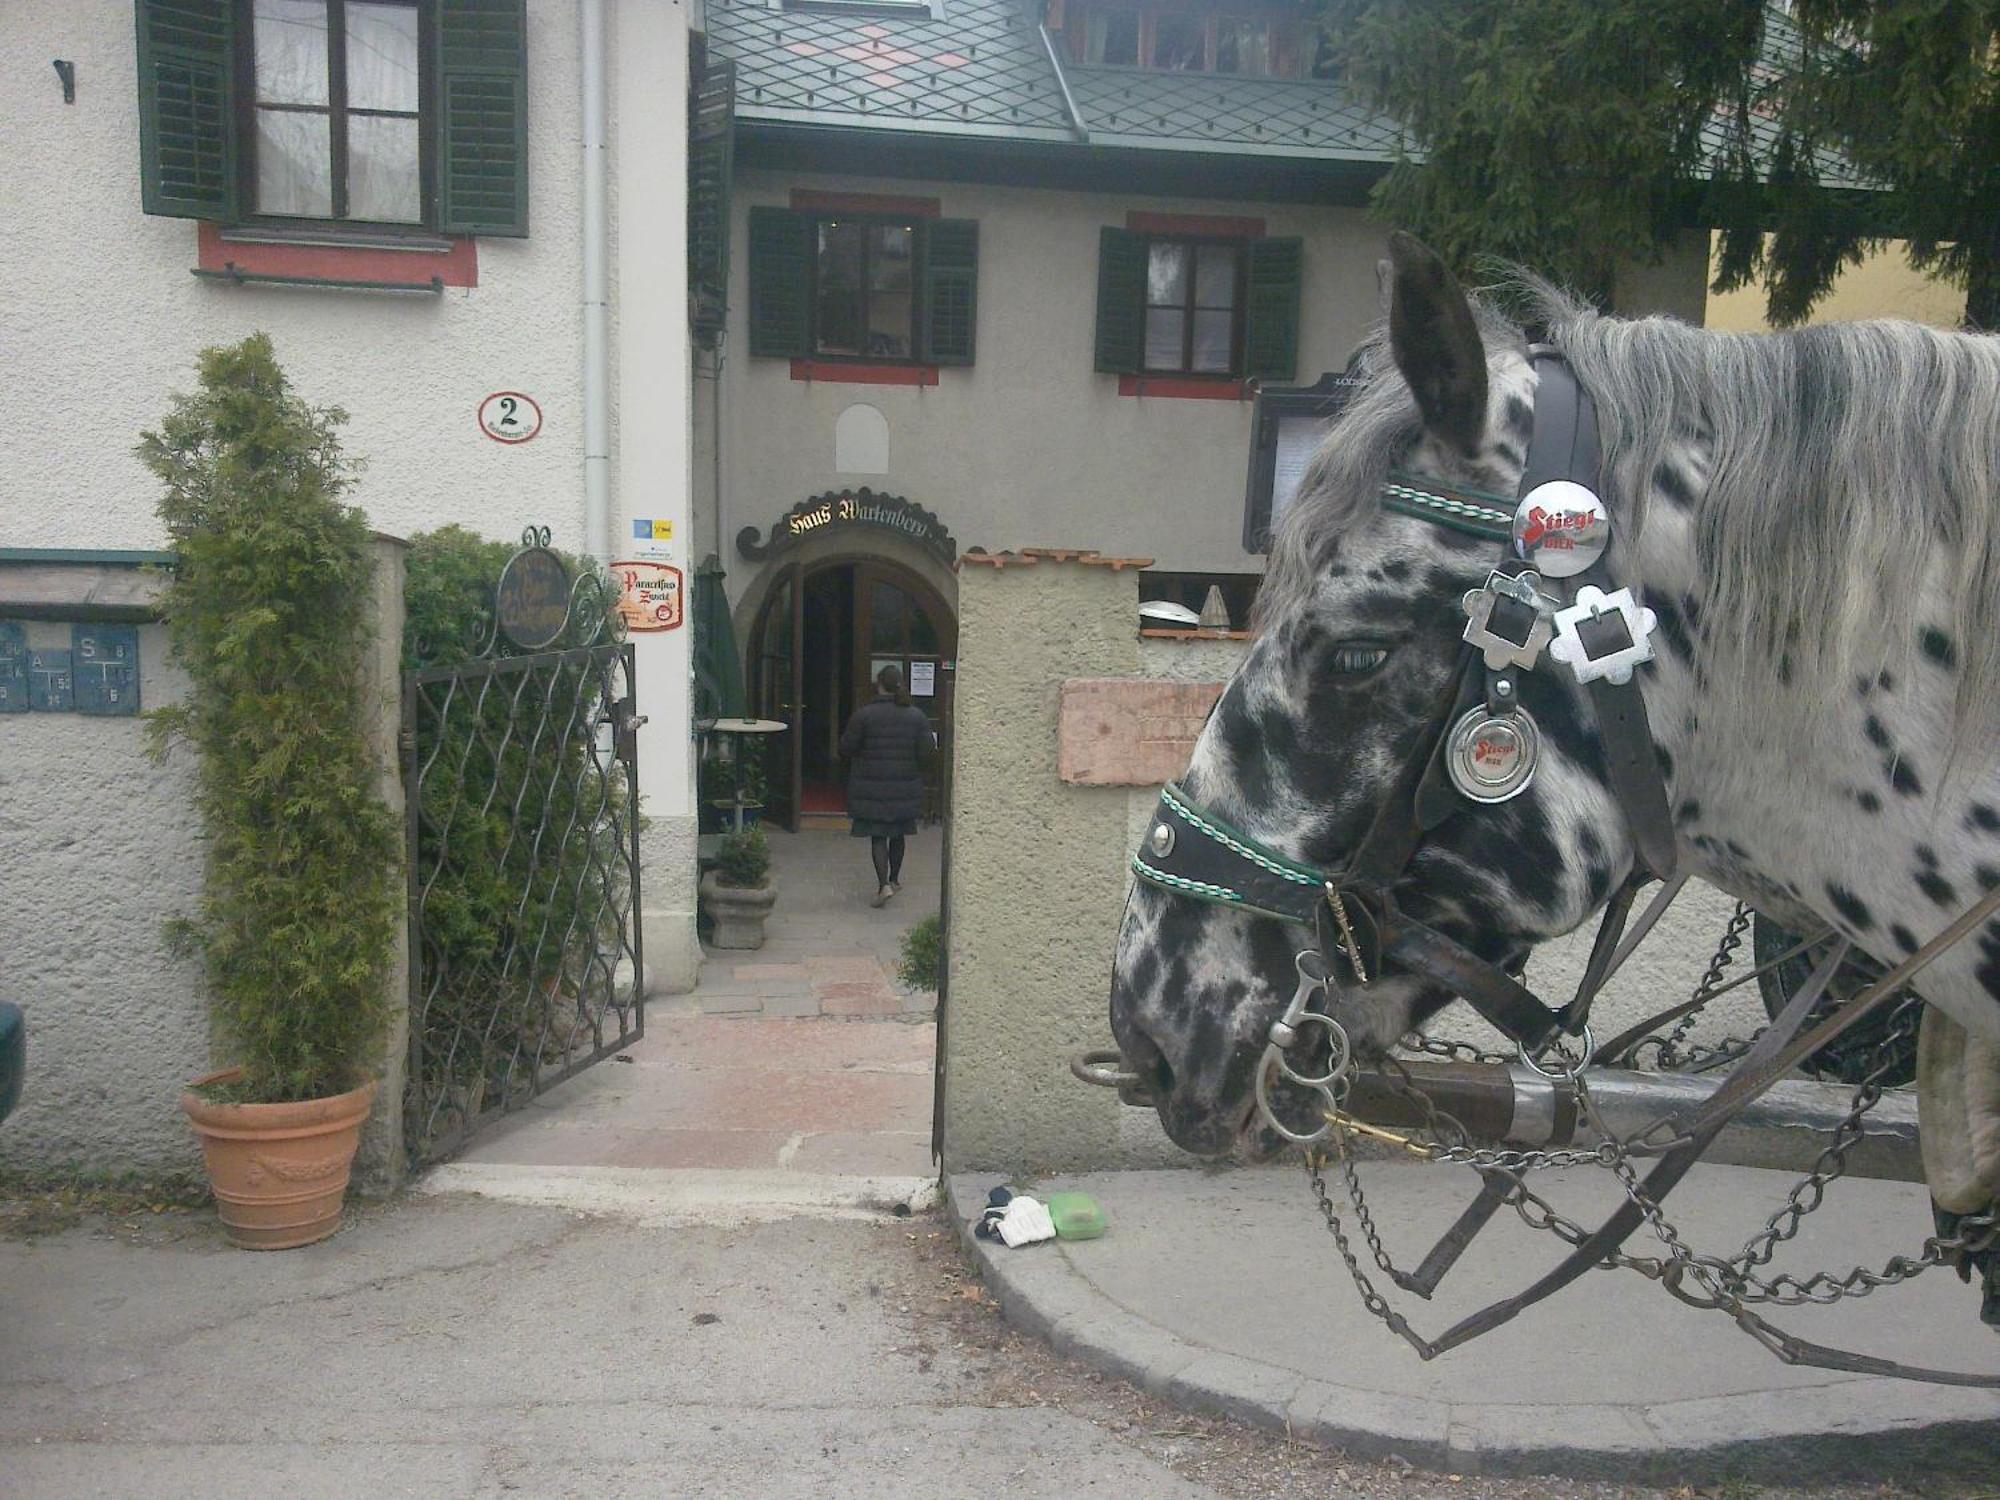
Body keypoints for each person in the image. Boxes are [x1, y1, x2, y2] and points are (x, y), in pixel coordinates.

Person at [838, 664, 935, 907]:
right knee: (899, 833)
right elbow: (927, 753)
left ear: (879, 685)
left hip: (872, 787)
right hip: (904, 786)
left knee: (878, 835)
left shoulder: (864, 715)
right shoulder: (916, 716)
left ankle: (883, 885)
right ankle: (894, 879)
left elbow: (846, 748)